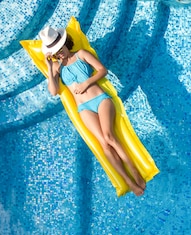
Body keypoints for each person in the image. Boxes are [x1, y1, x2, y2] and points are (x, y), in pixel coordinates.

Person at [39, 26, 146, 196]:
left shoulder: (81, 54)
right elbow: (53, 91)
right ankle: (128, 181)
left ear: (65, 43)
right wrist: (50, 67)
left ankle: (134, 171)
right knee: (103, 143)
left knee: (109, 136)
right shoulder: (58, 68)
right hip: (84, 108)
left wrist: (86, 83)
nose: (60, 54)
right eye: (55, 53)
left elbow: (102, 70)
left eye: (60, 49)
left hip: (101, 100)